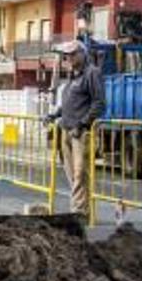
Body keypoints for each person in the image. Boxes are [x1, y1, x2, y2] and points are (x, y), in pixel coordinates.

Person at [45, 40, 104, 218]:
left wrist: (83, 123)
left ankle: (78, 213)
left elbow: (99, 103)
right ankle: (83, 209)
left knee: (80, 174)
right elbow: (68, 104)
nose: (68, 58)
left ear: (82, 54)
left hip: (81, 133)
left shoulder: (91, 73)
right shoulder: (73, 76)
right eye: (67, 55)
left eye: (72, 54)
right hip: (66, 130)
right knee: (72, 175)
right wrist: (54, 115)